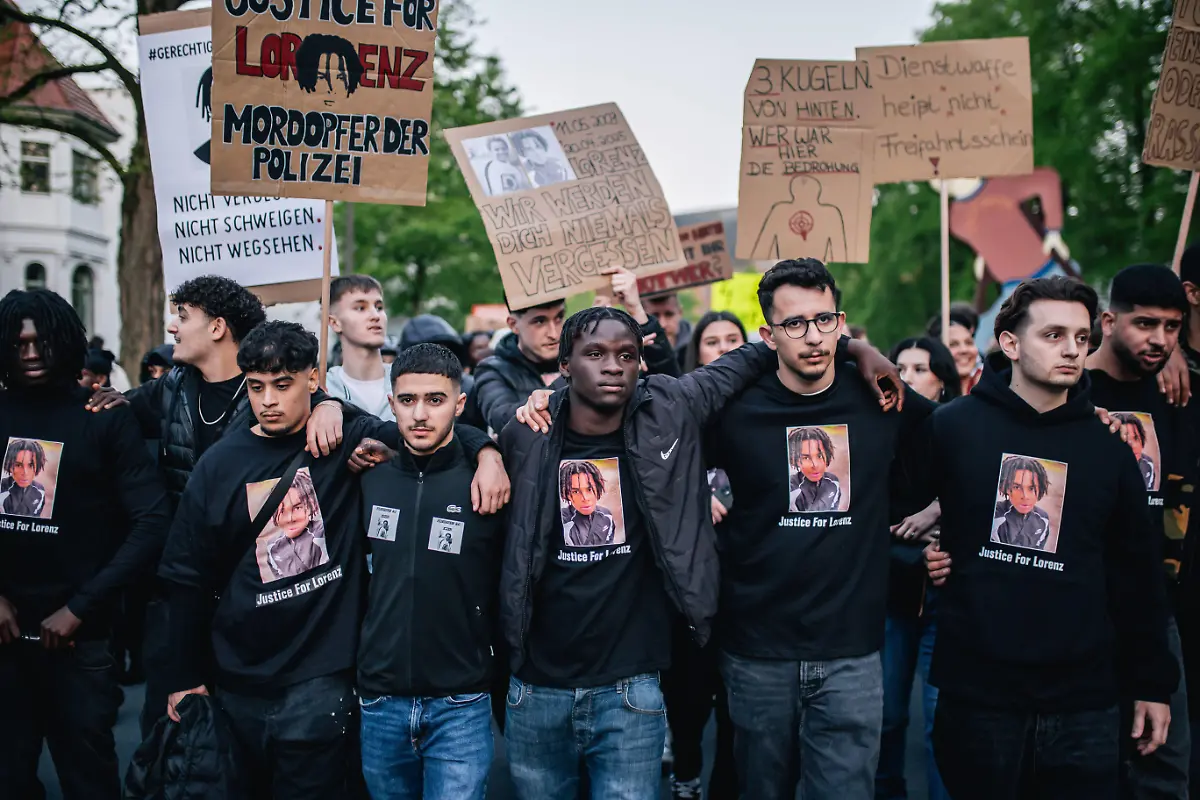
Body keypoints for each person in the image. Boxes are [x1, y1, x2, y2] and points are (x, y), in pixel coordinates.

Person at [506, 294, 902, 798]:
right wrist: (487, 450)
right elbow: (455, 440)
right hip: (538, 684)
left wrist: (851, 348)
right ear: (564, 366)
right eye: (595, 354)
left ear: (642, 363)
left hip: (633, 683)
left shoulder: (669, 409)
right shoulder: (524, 436)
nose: (612, 366)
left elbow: (755, 352)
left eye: (626, 355)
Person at [158, 322, 507, 799]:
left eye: (283, 385)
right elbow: (185, 576)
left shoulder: (346, 439)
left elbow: (425, 433)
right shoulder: (218, 466)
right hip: (239, 678)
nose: (270, 401)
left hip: (325, 679)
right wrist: (184, 675)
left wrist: (487, 452)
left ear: (312, 377)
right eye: (257, 387)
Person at [916, 277, 1177, 799]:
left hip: (1084, 704)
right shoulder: (951, 428)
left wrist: (1153, 684)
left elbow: (1137, 574)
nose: (1072, 349)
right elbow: (889, 510)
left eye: (1081, 338)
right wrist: (921, 553)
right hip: (979, 697)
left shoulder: (1107, 447)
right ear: (1010, 343)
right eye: (1053, 335)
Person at [704, 259, 935, 800]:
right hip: (757, 652)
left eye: (824, 320)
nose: (813, 337)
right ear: (768, 335)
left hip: (852, 654)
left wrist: (1091, 411)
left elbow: (968, 435)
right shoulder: (737, 409)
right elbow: (660, 446)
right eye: (795, 324)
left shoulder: (881, 396)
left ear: (842, 321)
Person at [86, 274, 348, 737]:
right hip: (182, 592)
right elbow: (109, 416)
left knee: (251, 738)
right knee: (177, 737)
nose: (172, 327)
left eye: (183, 316)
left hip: (252, 603)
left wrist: (331, 405)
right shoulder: (169, 390)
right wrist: (104, 401)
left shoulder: (281, 401)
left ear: (217, 327)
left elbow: (318, 405)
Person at [0, 289, 171, 800]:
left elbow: (152, 520)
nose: (30, 352)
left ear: (66, 342)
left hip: (82, 645)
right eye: (18, 342)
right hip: (5, 646)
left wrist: (81, 607)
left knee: (89, 781)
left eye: (42, 341)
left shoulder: (103, 417)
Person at [355, 343, 507, 800]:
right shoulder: (367, 475)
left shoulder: (488, 481)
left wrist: (488, 452)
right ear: (390, 401)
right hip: (380, 700)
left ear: (460, 404)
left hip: (460, 702)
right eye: (407, 400)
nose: (420, 413)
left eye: (435, 400)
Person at [1083, 263, 1193, 799]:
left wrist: (1175, 358)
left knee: (1163, 768)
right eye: (1145, 324)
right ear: (1109, 321)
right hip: (1078, 606)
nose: (1159, 339)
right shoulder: (1071, 387)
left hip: (1154, 608)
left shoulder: (1175, 393)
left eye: (1171, 327)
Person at [666, 310, 747, 800]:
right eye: (711, 341)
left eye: (732, 339)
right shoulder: (680, 412)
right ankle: (687, 774)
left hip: (748, 587)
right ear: (697, 355)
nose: (722, 348)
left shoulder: (767, 408)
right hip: (691, 590)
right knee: (688, 697)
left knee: (738, 708)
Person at [876, 336, 960, 800]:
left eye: (920, 368)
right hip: (892, 597)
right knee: (887, 717)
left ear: (943, 381)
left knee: (941, 720)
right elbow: (863, 524)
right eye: (899, 367)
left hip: (946, 601)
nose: (907, 377)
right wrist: (913, 552)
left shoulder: (965, 432)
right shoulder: (876, 435)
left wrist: (942, 509)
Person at [471, 268, 678, 435]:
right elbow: (505, 420)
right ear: (513, 325)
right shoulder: (493, 370)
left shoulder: (591, 357)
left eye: (559, 318)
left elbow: (670, 391)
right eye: (539, 321)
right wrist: (583, 367)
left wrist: (637, 312)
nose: (553, 333)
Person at [325, 275, 393, 420]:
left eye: (379, 307)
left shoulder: (408, 381)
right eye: (361, 308)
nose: (375, 316)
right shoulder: (323, 389)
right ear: (334, 322)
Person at [928, 304, 983, 395]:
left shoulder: (991, 385)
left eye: (969, 342)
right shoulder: (925, 391)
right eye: (953, 344)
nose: (964, 350)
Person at [643, 292, 691, 364]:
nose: (663, 324)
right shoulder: (635, 352)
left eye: (669, 314)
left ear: (680, 313)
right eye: (655, 316)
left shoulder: (698, 346)